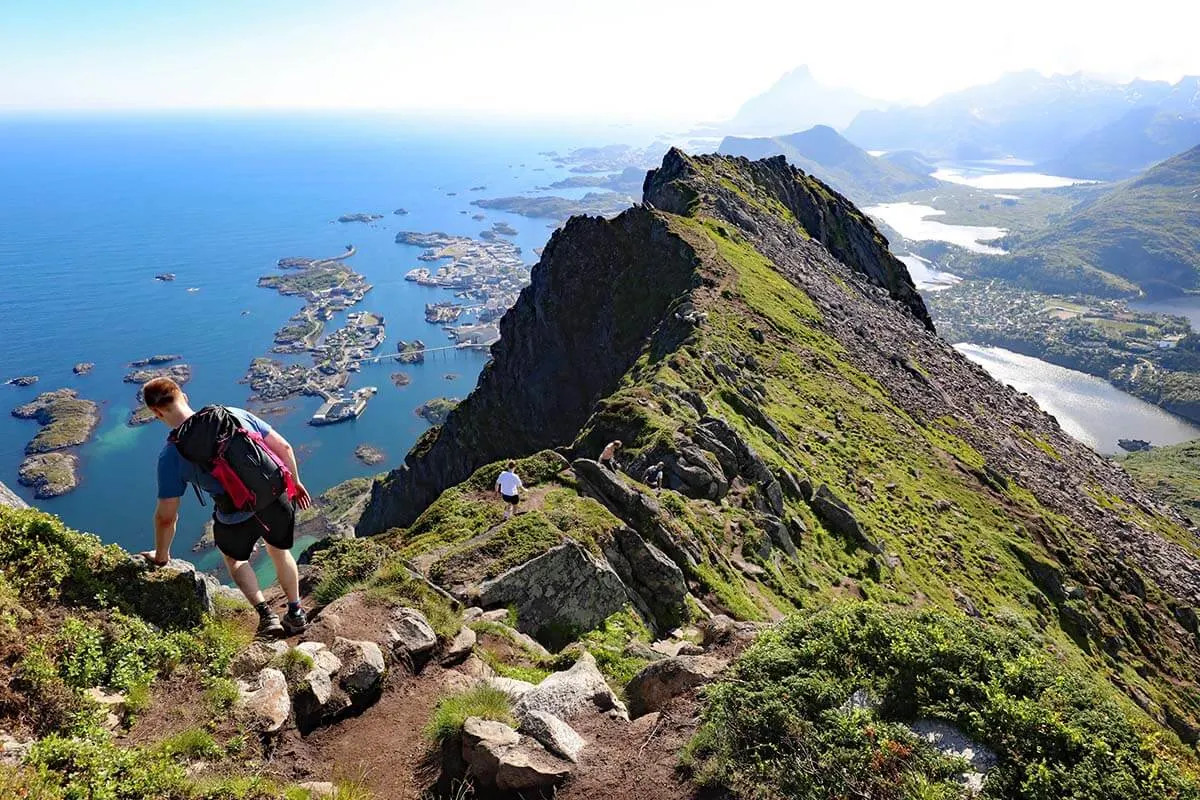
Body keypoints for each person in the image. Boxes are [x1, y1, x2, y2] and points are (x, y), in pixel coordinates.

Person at [139, 377, 313, 638]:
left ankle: (267, 616)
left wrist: (161, 555)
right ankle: (296, 611)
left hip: (234, 515)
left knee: (235, 559)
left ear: (156, 412)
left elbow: (166, 517)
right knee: (279, 551)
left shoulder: (171, 455)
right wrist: (296, 484)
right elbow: (284, 447)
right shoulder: (232, 414)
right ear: (183, 396)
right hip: (275, 498)